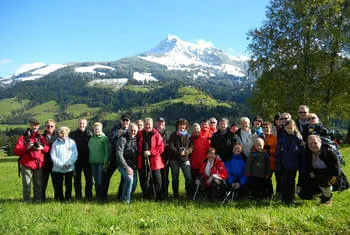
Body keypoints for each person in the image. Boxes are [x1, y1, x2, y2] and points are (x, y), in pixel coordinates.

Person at [298, 135, 347, 205]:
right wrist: (300, 184)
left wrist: (317, 172)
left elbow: (336, 171)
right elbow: (305, 170)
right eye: (310, 144)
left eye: (315, 143)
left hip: (333, 177)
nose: (313, 146)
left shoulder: (329, 152)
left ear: (320, 142)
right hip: (317, 176)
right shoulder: (308, 154)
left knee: (324, 181)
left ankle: (327, 198)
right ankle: (321, 194)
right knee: (303, 194)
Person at [14, 118, 49, 202]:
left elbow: (47, 148)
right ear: (29, 125)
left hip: (38, 163)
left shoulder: (40, 137)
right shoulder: (23, 137)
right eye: (33, 124)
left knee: (38, 184)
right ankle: (27, 200)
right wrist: (27, 147)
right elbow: (16, 151)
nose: (34, 126)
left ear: (39, 126)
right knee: (26, 183)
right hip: (26, 163)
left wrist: (42, 148)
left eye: (36, 125)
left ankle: (38, 200)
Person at [275, 120, 304, 205]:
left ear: (294, 127)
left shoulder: (298, 138)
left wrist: (300, 164)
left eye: (291, 128)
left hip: (294, 164)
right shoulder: (282, 138)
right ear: (285, 128)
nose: (290, 129)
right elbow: (278, 152)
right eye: (288, 128)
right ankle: (284, 198)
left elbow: (301, 152)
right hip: (284, 164)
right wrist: (278, 164)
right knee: (284, 181)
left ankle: (291, 198)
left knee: (292, 181)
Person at [137, 117, 165, 200]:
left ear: (152, 125)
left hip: (154, 160)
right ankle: (146, 196)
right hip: (141, 159)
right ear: (144, 125)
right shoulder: (139, 133)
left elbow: (161, 148)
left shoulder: (156, 134)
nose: (148, 126)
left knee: (157, 179)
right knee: (143, 179)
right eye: (146, 124)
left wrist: (151, 152)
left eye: (149, 124)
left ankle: (159, 196)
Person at [104, 114, 130, 200]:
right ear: (120, 121)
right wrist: (122, 136)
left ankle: (120, 196)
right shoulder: (115, 128)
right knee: (107, 176)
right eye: (124, 120)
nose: (125, 122)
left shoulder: (131, 129)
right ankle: (103, 196)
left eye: (127, 120)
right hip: (114, 157)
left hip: (124, 159)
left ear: (129, 121)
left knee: (124, 178)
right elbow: (111, 139)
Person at [50, 127, 78, 201]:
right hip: (57, 168)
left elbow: (75, 154)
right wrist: (61, 164)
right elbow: (53, 156)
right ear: (59, 134)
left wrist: (69, 163)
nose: (64, 134)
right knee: (58, 185)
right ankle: (60, 198)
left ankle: (68, 198)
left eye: (65, 133)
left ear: (68, 133)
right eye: (62, 133)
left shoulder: (72, 142)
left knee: (68, 184)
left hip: (69, 168)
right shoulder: (55, 143)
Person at [168, 118, 192, 199]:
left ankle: (188, 193)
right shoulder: (173, 135)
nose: (182, 126)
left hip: (185, 159)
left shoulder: (188, 135)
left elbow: (191, 147)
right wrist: (179, 152)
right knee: (175, 178)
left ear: (186, 126)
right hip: (174, 159)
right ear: (177, 126)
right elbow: (171, 146)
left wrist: (186, 152)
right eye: (180, 124)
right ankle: (175, 195)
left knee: (188, 177)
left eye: (184, 124)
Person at [69, 118, 93, 200]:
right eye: (80, 123)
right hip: (76, 161)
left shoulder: (90, 134)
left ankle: (88, 196)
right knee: (76, 180)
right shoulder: (72, 135)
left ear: (86, 124)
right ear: (78, 124)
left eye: (83, 124)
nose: (82, 125)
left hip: (88, 161)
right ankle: (78, 196)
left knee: (89, 180)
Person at [116, 123, 139, 204]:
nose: (133, 132)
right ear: (128, 130)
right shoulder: (122, 139)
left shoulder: (137, 139)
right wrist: (126, 167)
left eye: (135, 130)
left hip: (134, 166)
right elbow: (119, 154)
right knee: (129, 179)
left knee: (133, 184)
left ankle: (122, 197)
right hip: (122, 165)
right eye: (131, 130)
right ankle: (126, 200)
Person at [89, 122, 110, 202]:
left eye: (98, 129)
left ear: (101, 129)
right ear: (93, 130)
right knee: (96, 181)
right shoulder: (91, 138)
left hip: (101, 163)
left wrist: (105, 163)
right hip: (93, 163)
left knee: (101, 181)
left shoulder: (104, 138)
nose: (97, 130)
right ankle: (97, 196)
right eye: (95, 129)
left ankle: (102, 197)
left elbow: (107, 151)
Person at [260, 121, 279, 198]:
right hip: (263, 162)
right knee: (265, 179)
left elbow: (276, 150)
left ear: (270, 129)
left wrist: (269, 150)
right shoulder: (260, 137)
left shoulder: (274, 138)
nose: (265, 129)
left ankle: (274, 194)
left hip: (272, 162)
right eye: (263, 128)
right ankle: (266, 194)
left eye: (267, 128)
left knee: (275, 179)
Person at [41, 119, 59, 200]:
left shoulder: (59, 136)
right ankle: (41, 198)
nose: (50, 127)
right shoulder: (41, 137)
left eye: (52, 126)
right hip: (44, 163)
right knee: (43, 183)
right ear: (45, 127)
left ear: (54, 127)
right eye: (48, 126)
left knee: (56, 182)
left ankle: (57, 198)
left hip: (55, 163)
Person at [155, 117, 171, 198]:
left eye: (162, 122)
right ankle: (157, 193)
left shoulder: (168, 133)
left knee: (165, 177)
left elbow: (170, 145)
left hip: (165, 158)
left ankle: (165, 193)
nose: (160, 124)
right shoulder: (153, 132)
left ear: (164, 124)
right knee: (156, 177)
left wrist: (161, 146)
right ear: (156, 123)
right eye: (159, 122)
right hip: (155, 158)